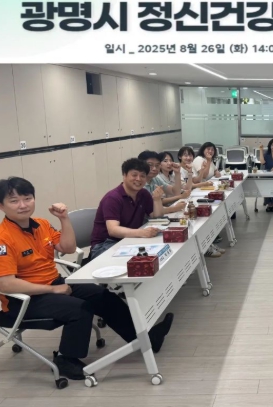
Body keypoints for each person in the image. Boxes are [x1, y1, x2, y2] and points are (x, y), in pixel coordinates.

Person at [0, 177, 174, 381]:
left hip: (53, 283)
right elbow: (6, 284)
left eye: (27, 198)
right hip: (22, 299)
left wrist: (64, 219)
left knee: (101, 295)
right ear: (2, 206)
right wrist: (53, 290)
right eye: (14, 201)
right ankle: (66, 359)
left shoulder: (42, 224)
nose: (22, 205)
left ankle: (144, 339)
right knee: (79, 308)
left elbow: (67, 248)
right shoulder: (3, 238)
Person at [88, 158, 176, 261]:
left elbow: (156, 217)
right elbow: (113, 230)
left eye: (142, 176)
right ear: (124, 175)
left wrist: (157, 200)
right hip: (105, 245)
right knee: (143, 260)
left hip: (130, 240)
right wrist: (142, 233)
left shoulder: (143, 194)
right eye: (134, 175)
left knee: (161, 254)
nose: (138, 179)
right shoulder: (112, 198)